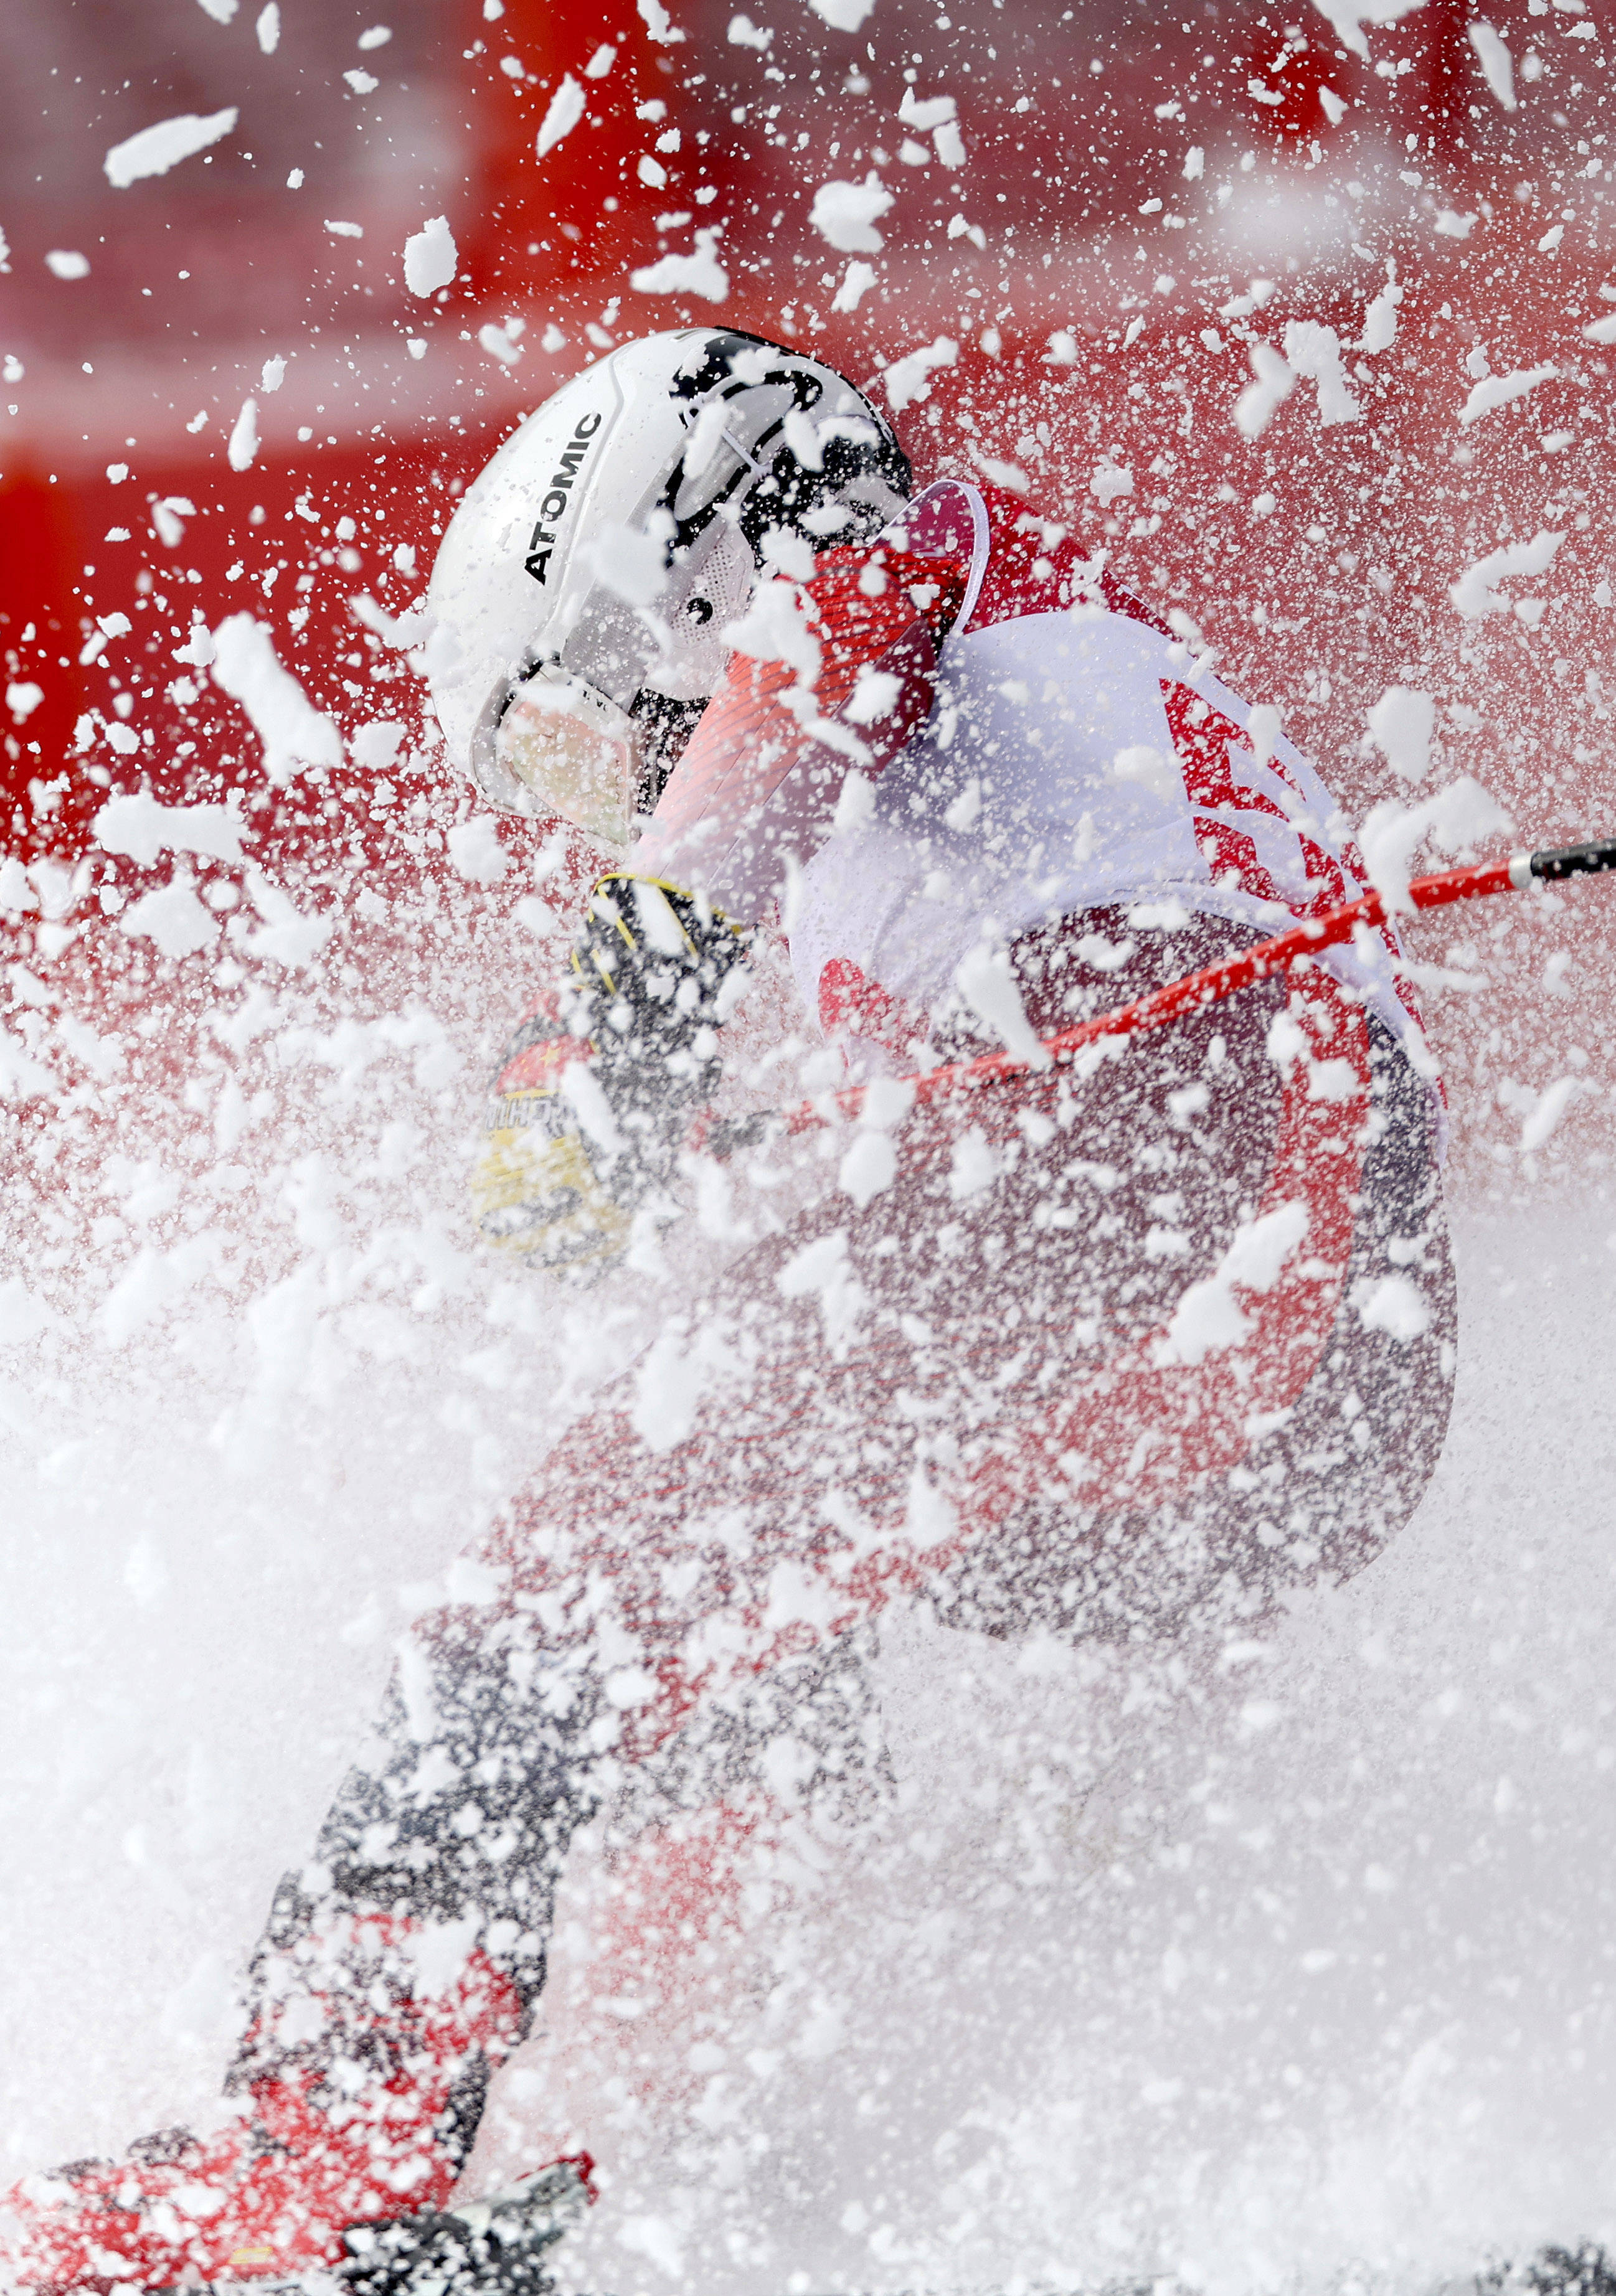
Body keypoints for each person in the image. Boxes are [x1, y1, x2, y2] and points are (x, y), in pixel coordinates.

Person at [1, 330, 1457, 2294]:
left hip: (1155, 1137)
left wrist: (626, 1019)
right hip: (1346, 1345)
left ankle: (319, 2142)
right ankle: (652, 2135)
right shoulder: (1047, 690)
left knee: (550, 1610)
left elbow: (816, 642)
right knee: (750, 1626)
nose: (616, 806)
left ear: (673, 573)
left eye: (601, 738)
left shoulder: (889, 553)